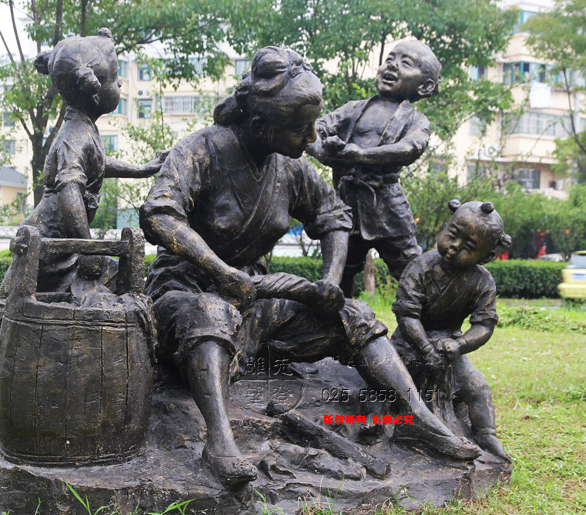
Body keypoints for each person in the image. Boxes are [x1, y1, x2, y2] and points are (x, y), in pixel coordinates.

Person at [140, 46, 479, 488]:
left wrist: (330, 282)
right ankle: (219, 442)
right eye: (302, 128)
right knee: (210, 312)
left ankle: (416, 417)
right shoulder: (201, 149)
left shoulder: (289, 167)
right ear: (260, 125)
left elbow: (333, 215)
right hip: (184, 293)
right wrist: (221, 272)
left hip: (256, 296)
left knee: (355, 315)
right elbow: (159, 215)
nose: (312, 138)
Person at [0, 28, 166, 421]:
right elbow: (70, 193)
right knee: (3, 315)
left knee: (81, 297)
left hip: (61, 245)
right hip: (45, 245)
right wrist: (86, 248)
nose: (121, 85)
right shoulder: (73, 135)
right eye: (116, 79)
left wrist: (143, 168)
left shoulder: (84, 129)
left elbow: (99, 166)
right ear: (94, 90)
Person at [308, 39, 440, 295]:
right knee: (340, 269)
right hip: (346, 202)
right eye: (390, 59)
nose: (392, 66)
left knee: (410, 268)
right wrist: (325, 152)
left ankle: (425, 316)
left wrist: (362, 155)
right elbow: (313, 130)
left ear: (425, 86)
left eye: (405, 63)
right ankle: (337, 317)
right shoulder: (353, 108)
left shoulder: (416, 119)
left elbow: (410, 148)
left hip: (388, 205)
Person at [391, 200, 512, 461]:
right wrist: (426, 348)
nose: (454, 246)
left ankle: (486, 434)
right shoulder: (421, 265)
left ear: (486, 257)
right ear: (445, 227)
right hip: (409, 341)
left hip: (450, 345)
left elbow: (484, 324)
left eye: (468, 246)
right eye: (452, 234)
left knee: (477, 386)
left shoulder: (482, 282)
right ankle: (383, 423)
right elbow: (407, 315)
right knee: (389, 383)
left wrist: (460, 345)